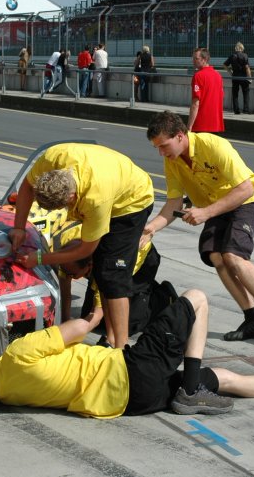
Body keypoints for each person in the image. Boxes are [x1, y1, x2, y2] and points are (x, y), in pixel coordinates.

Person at [0, 288, 254, 418]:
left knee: (223, 380)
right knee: (197, 298)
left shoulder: (9, 396)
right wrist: (98, 308)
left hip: (132, 403)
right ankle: (191, 390)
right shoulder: (16, 355)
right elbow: (77, 329)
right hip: (131, 371)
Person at [142, 110, 254, 345]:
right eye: (156, 148)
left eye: (163, 145)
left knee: (233, 255)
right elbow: (174, 204)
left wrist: (205, 213)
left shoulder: (213, 146)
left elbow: (246, 189)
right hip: (215, 205)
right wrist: (150, 229)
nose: (161, 152)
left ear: (180, 135)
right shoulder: (172, 161)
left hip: (244, 200)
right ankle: (253, 320)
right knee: (216, 256)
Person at [10, 143, 154, 349]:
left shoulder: (96, 199)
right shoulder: (50, 159)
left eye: (65, 207)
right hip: (107, 174)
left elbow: (86, 249)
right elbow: (26, 187)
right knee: (103, 274)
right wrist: (19, 228)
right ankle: (111, 338)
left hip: (131, 201)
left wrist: (40, 258)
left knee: (112, 275)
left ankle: (121, 349)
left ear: (72, 197)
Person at [187, 47, 224, 133]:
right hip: (216, 124)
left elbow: (195, 103)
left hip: (201, 124)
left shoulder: (198, 76)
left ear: (204, 59)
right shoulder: (218, 76)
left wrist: (189, 125)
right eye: (193, 58)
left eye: (196, 58)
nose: (193, 61)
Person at [223, 42, 252, 114]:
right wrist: (250, 77)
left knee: (235, 93)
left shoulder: (232, 56)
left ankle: (236, 110)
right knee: (246, 93)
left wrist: (230, 72)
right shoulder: (245, 55)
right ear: (242, 48)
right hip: (244, 77)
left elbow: (224, 65)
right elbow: (247, 67)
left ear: (236, 48)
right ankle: (246, 109)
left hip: (235, 76)